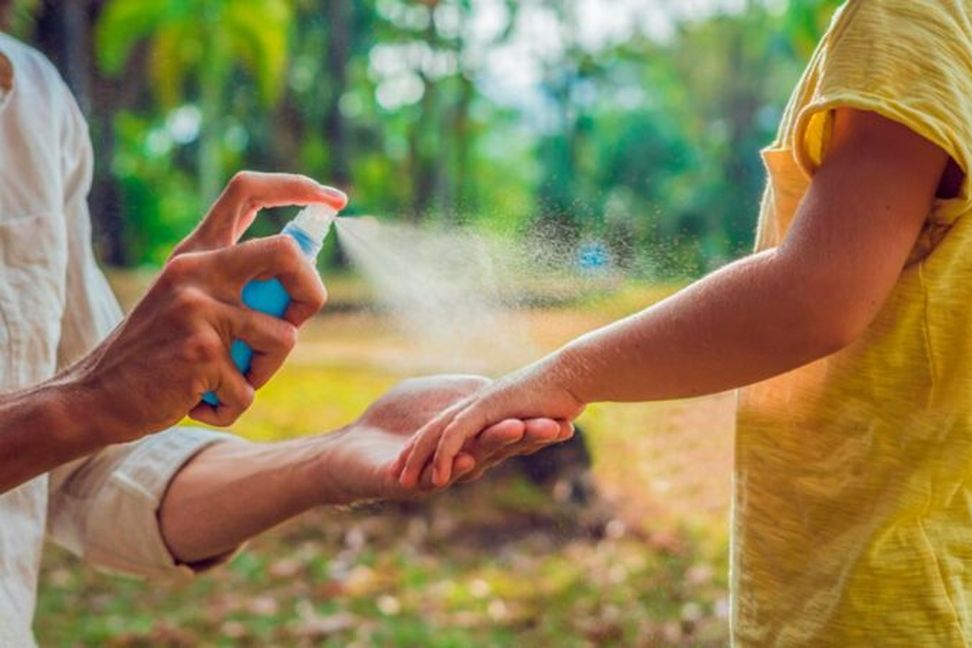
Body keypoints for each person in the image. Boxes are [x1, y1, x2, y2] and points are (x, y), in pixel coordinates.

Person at [396, 0, 972, 645]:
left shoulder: (915, 13)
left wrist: (567, 373)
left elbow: (818, 293)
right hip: (967, 556)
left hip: (887, 582)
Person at [0, 27, 572, 648]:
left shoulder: (36, 104)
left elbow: (88, 474)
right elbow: (75, 416)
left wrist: (331, 457)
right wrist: (89, 400)